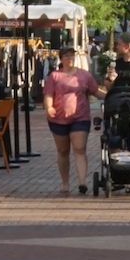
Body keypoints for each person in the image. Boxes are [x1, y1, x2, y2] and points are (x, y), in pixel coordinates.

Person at [43, 44, 98, 195]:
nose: (70, 58)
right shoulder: (55, 76)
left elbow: (96, 91)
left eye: (72, 55)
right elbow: (48, 95)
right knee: (63, 151)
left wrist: (113, 93)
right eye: (66, 56)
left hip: (80, 117)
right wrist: (49, 108)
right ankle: (65, 182)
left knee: (80, 148)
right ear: (61, 59)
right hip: (58, 118)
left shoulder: (84, 75)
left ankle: (82, 182)